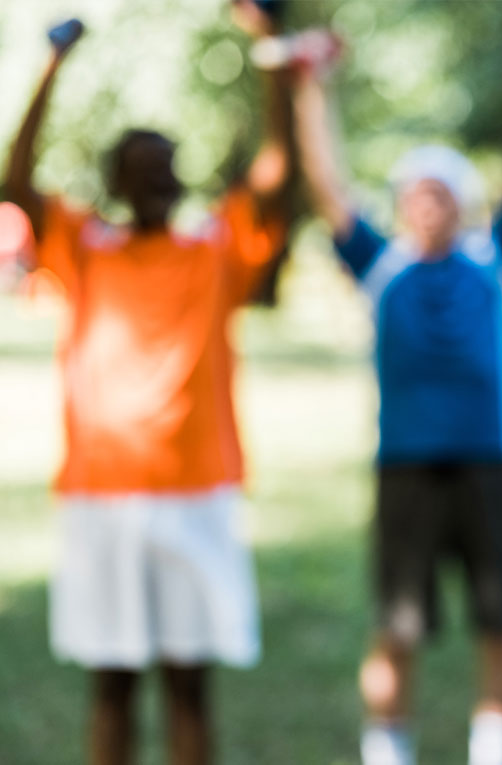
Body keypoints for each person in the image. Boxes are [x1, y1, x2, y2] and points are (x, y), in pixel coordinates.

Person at [289, 22, 502, 765]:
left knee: (500, 625)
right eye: (415, 195)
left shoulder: (497, 260)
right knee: (396, 628)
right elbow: (328, 184)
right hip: (404, 469)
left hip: (486, 467)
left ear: (461, 202)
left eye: (440, 194)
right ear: (402, 206)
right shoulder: (381, 266)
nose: (427, 205)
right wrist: (310, 88)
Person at [2, 3, 292, 764]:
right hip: (101, 498)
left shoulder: (214, 248)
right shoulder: (83, 247)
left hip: (199, 494)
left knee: (190, 686)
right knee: (113, 686)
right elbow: (16, 180)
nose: (160, 179)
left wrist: (271, 56)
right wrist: (51, 66)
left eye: (167, 167)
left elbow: (274, 177)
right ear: (117, 184)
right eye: (143, 170)